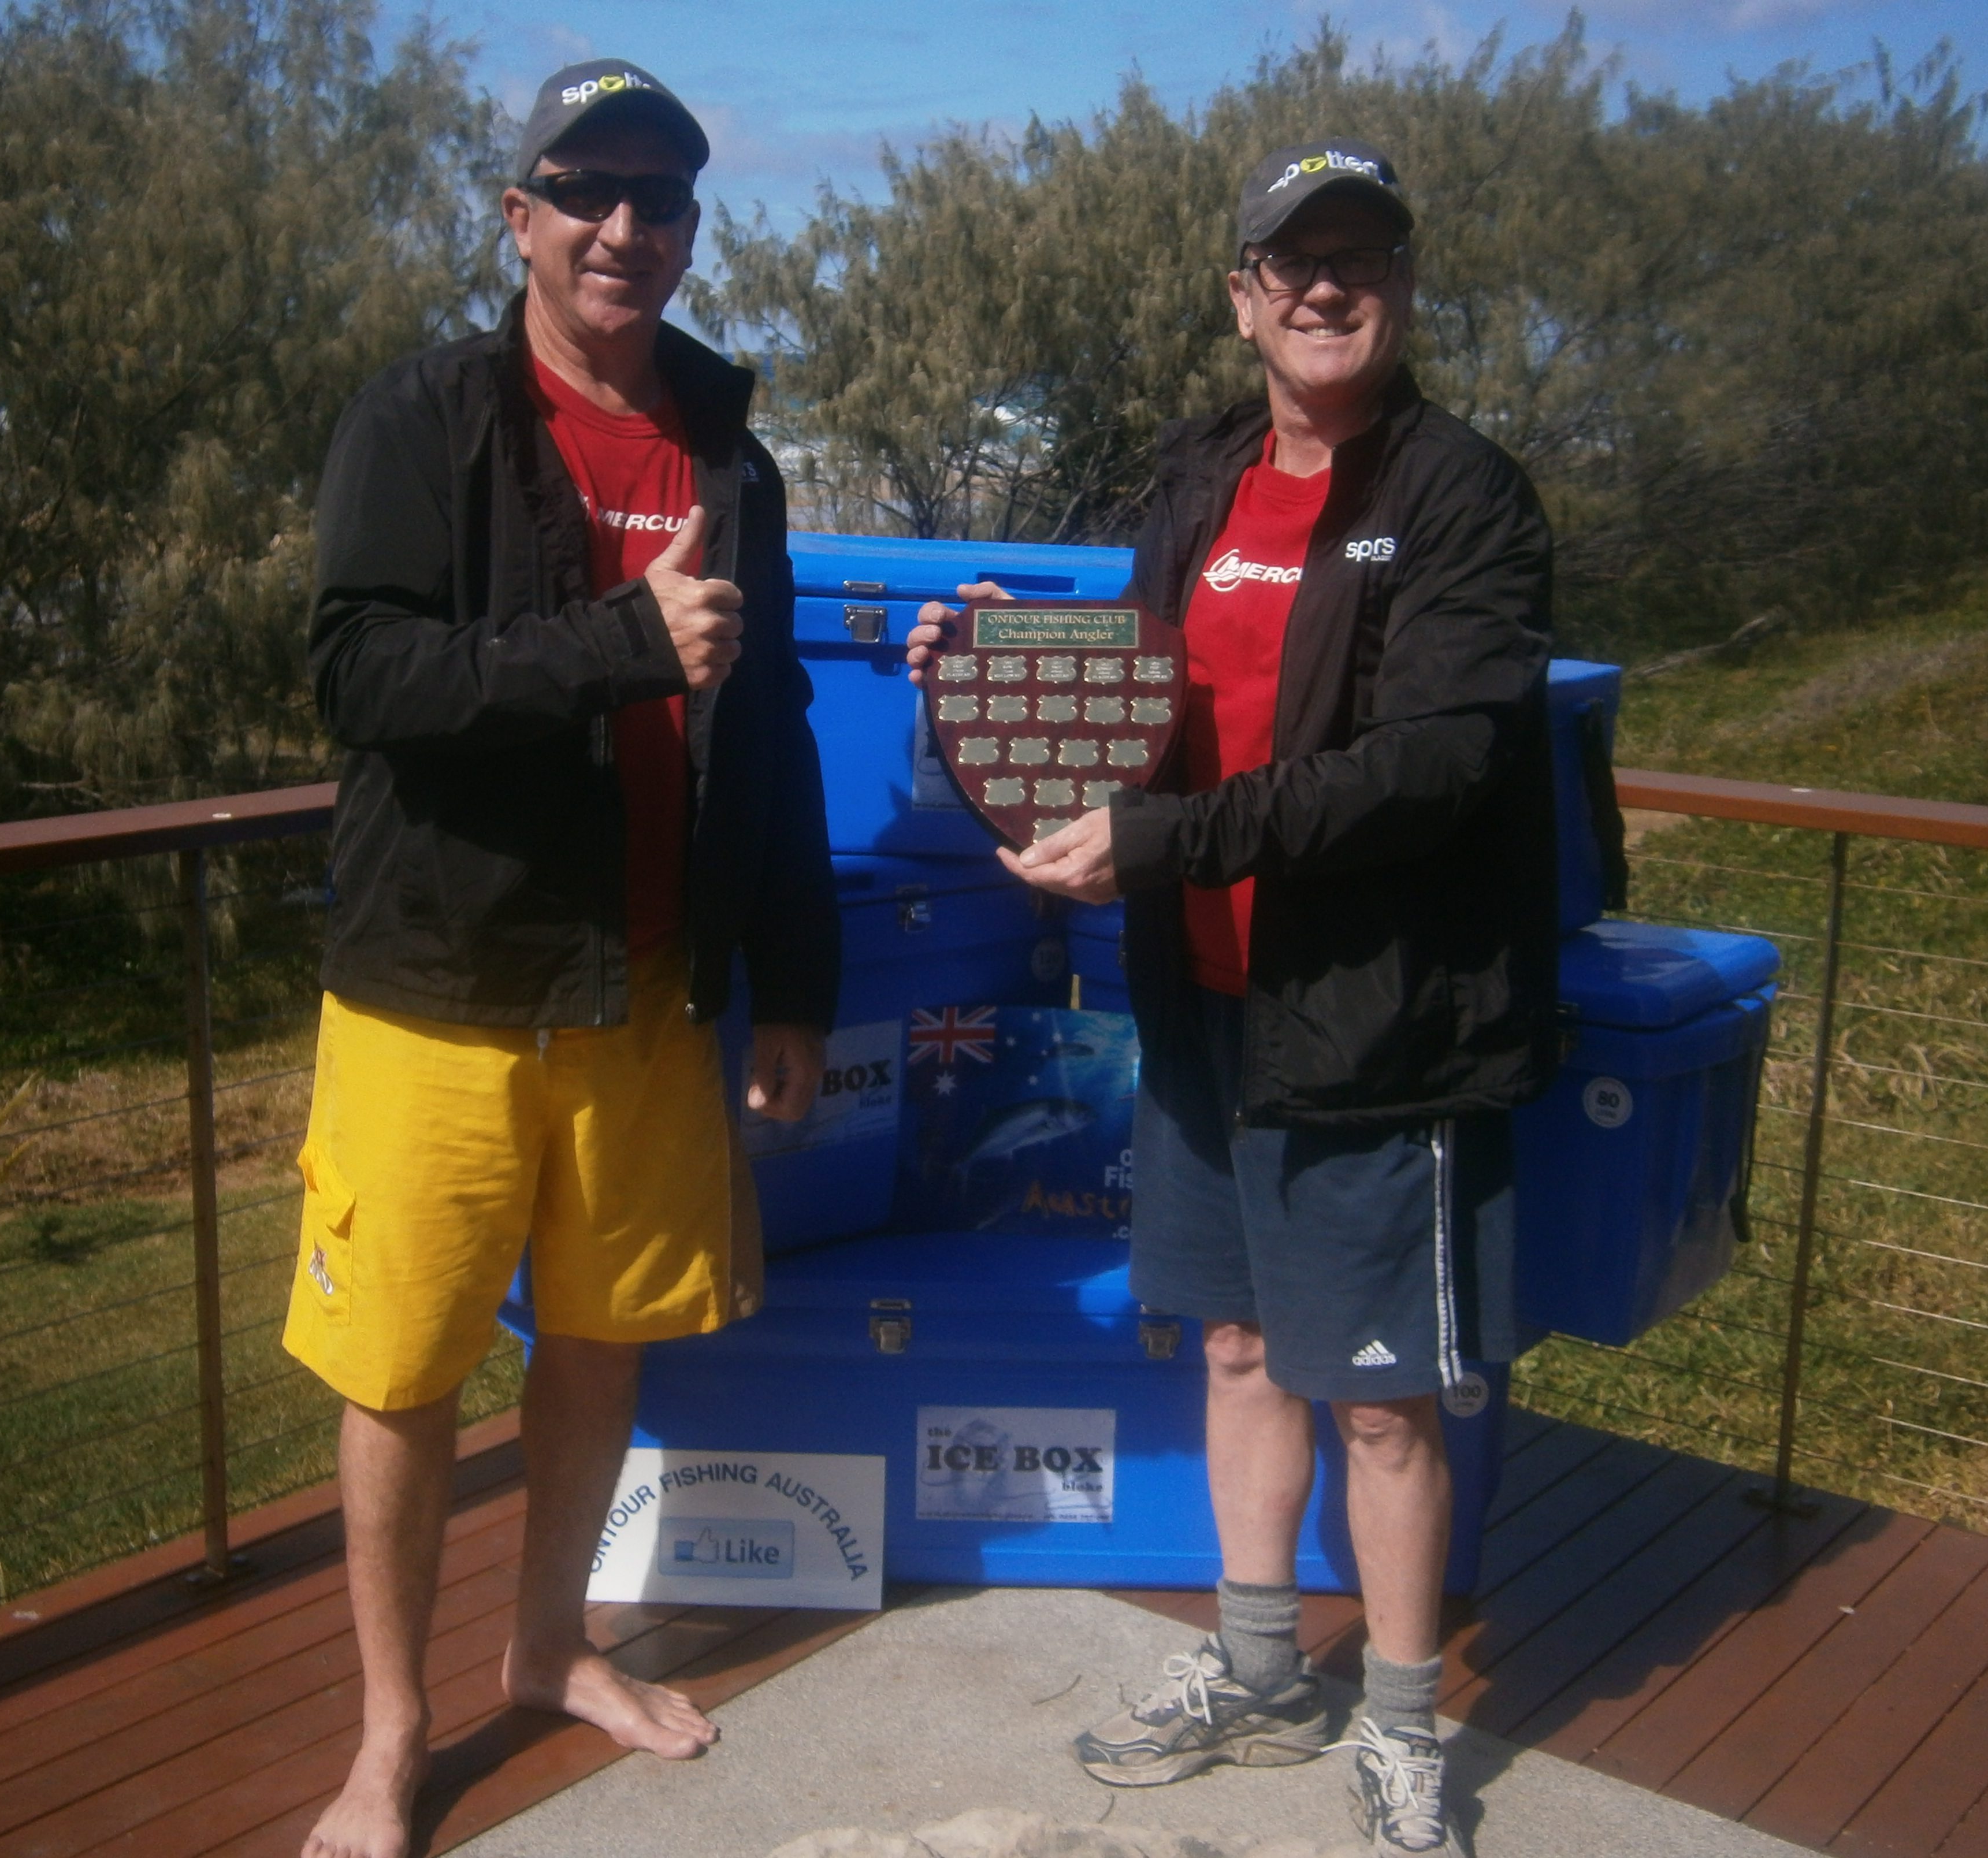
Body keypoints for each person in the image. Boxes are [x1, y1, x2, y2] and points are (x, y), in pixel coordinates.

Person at [909, 139, 1556, 1857]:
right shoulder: (1196, 478)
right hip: (1204, 1007)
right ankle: (1262, 1671)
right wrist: (990, 671)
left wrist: (1164, 834)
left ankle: (1407, 1721)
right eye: (1295, 261)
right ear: (1243, 297)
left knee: (1382, 1395)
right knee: (1245, 1343)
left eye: (1361, 257)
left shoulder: (1468, 493)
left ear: (1402, 288)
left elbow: (1431, 770)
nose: (1327, 287)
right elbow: (1139, 700)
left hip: (1379, 1016)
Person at [288, 59, 837, 1858]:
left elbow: (771, 738)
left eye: (661, 199)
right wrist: (614, 644)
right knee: (409, 1372)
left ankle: (546, 1648)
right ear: (517, 215)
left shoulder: (726, 452)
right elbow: (363, 681)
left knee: (599, 1345)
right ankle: (388, 1735)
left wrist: (801, 986)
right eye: (585, 190)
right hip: (439, 997)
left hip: (651, 993)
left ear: (688, 231)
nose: (626, 227)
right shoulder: (424, 417)